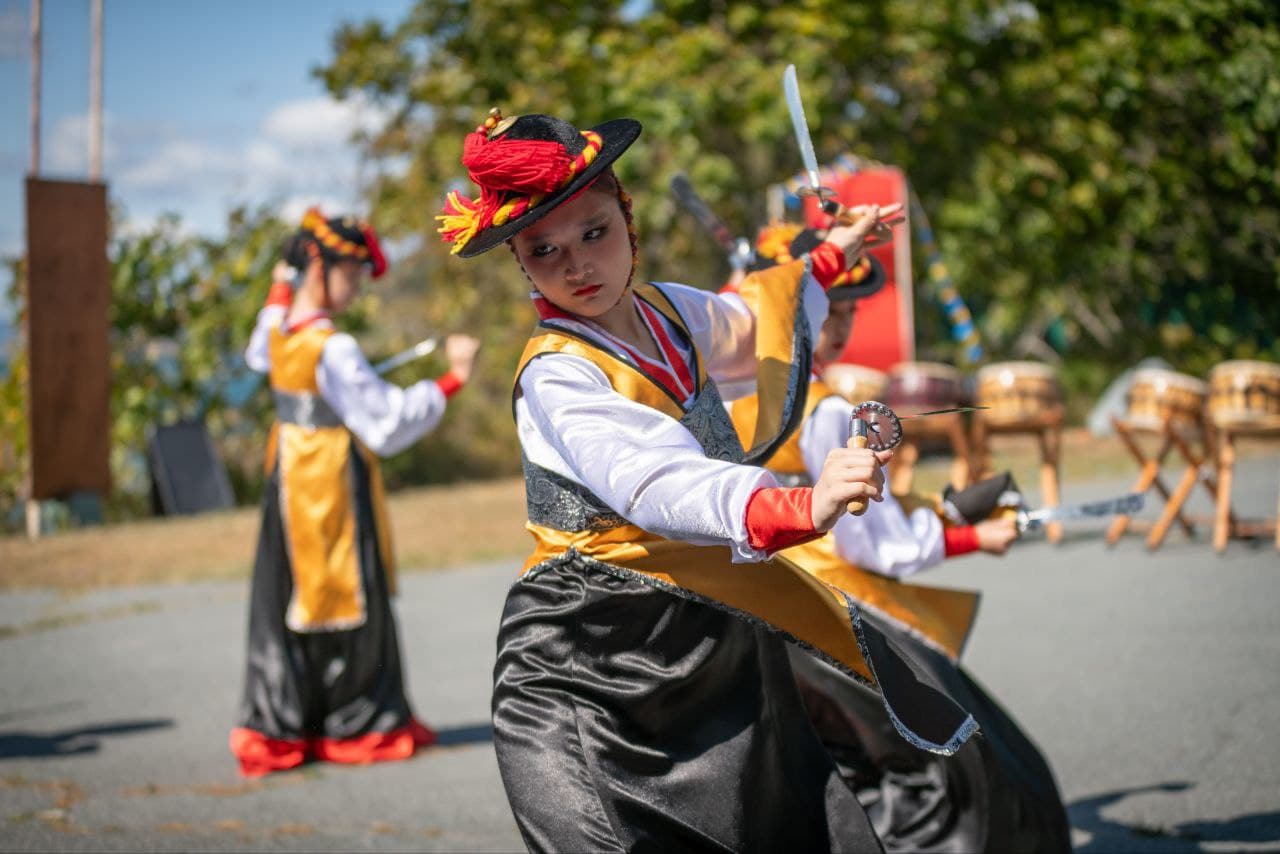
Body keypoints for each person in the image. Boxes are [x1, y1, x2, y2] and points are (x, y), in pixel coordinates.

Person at [438, 109, 979, 852]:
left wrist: (825, 258)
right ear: (521, 265)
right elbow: (654, 480)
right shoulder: (559, 373)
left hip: (709, 629)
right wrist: (799, 503)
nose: (577, 265)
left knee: (778, 823)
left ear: (628, 219)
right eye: (544, 250)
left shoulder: (671, 313)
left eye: (594, 232)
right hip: (590, 654)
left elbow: (752, 321)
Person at [730, 223, 1072, 852]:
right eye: (829, 302)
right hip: (836, 608)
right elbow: (871, 543)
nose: (840, 319)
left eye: (849, 306)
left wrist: (945, 513)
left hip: (757, 609)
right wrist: (974, 540)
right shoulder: (825, 408)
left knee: (829, 771)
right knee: (964, 777)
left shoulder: (723, 393)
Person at [230, 207, 481, 777]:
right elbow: (386, 424)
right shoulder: (333, 347)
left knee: (290, 591)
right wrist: (453, 378)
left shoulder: (277, 330)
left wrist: (280, 279)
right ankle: (354, 720)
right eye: (352, 273)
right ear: (321, 268)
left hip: (288, 474)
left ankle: (289, 719)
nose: (358, 285)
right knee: (347, 588)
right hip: (330, 480)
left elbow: (256, 352)